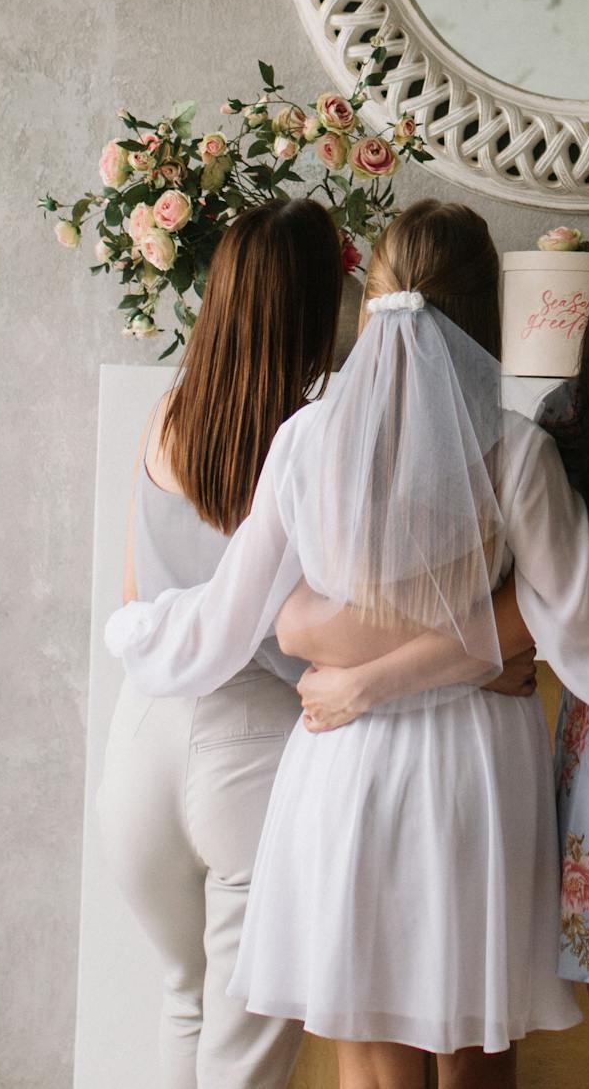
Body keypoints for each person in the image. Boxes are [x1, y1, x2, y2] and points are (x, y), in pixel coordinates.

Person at [105, 200, 589, 1089]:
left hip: (341, 766)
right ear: (483, 317)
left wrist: (134, 627)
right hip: (470, 773)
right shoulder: (518, 453)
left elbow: (226, 619)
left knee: (369, 1064)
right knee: (474, 1061)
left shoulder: (304, 443)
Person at [97, 198, 342, 1089]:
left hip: (140, 739)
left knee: (182, 998)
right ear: (316, 315)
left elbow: (134, 595)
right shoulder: (314, 442)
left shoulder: (166, 416)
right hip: (251, 749)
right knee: (244, 1060)